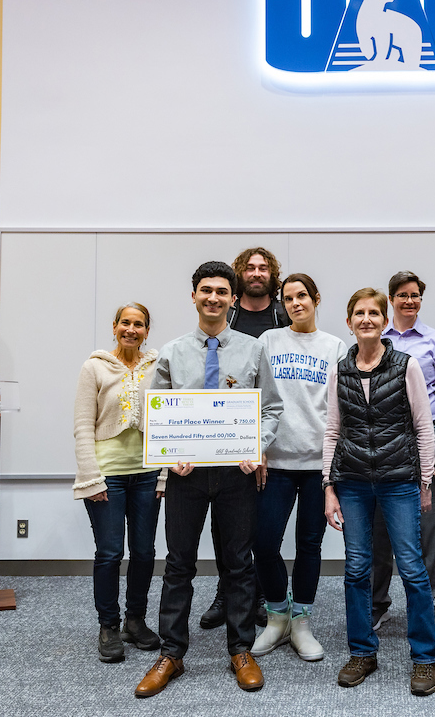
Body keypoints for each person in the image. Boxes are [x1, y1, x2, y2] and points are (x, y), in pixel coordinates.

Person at [135, 262, 283, 698]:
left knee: (238, 564)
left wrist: (256, 444)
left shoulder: (254, 349)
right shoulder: (172, 352)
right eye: (206, 291)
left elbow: (272, 409)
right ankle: (172, 653)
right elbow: (149, 411)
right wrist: (170, 450)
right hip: (187, 475)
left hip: (237, 475)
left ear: (233, 299)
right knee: (179, 564)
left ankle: (240, 649)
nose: (214, 298)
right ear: (194, 297)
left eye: (222, 291)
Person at [322, 288, 435, 697]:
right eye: (360, 313)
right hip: (352, 482)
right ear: (350, 321)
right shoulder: (340, 370)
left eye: (374, 312)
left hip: (399, 482)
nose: (367, 319)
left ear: (382, 320)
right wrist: (328, 487)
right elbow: (334, 431)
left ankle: (425, 658)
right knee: (356, 571)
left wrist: (424, 480)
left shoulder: (405, 366)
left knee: (411, 569)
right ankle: (362, 653)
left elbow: (424, 427)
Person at [251, 273, 346, 662]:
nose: (295, 303)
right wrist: (256, 448)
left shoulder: (335, 346)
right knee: (263, 542)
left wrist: (334, 470)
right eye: (288, 298)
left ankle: (301, 620)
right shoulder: (267, 342)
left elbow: (341, 410)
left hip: (317, 465)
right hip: (275, 461)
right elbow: (252, 397)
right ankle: (277, 615)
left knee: (309, 544)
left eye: (302, 296)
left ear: (316, 298)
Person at [73, 302, 165, 663]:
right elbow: (82, 426)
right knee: (110, 553)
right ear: (114, 327)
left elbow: (171, 420)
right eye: (125, 322)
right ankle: (108, 625)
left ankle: (136, 620)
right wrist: (90, 477)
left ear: (146, 331)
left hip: (147, 475)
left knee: (144, 552)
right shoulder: (94, 367)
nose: (131, 329)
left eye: (139, 324)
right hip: (106, 476)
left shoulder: (157, 367)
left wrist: (165, 475)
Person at [201, 246, 286, 630]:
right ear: (239, 278)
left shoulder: (285, 317)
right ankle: (228, 591)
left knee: (261, 529)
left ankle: (262, 595)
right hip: (226, 446)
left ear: (272, 274)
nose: (256, 273)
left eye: (262, 267)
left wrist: (262, 446)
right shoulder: (225, 316)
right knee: (225, 526)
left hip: (275, 442)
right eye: (249, 268)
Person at [372, 271, 435, 631]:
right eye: (402, 295)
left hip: (427, 437)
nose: (409, 301)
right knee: (379, 528)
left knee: (426, 527)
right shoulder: (375, 336)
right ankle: (376, 603)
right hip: (379, 440)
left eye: (415, 295)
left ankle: (424, 603)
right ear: (391, 299)